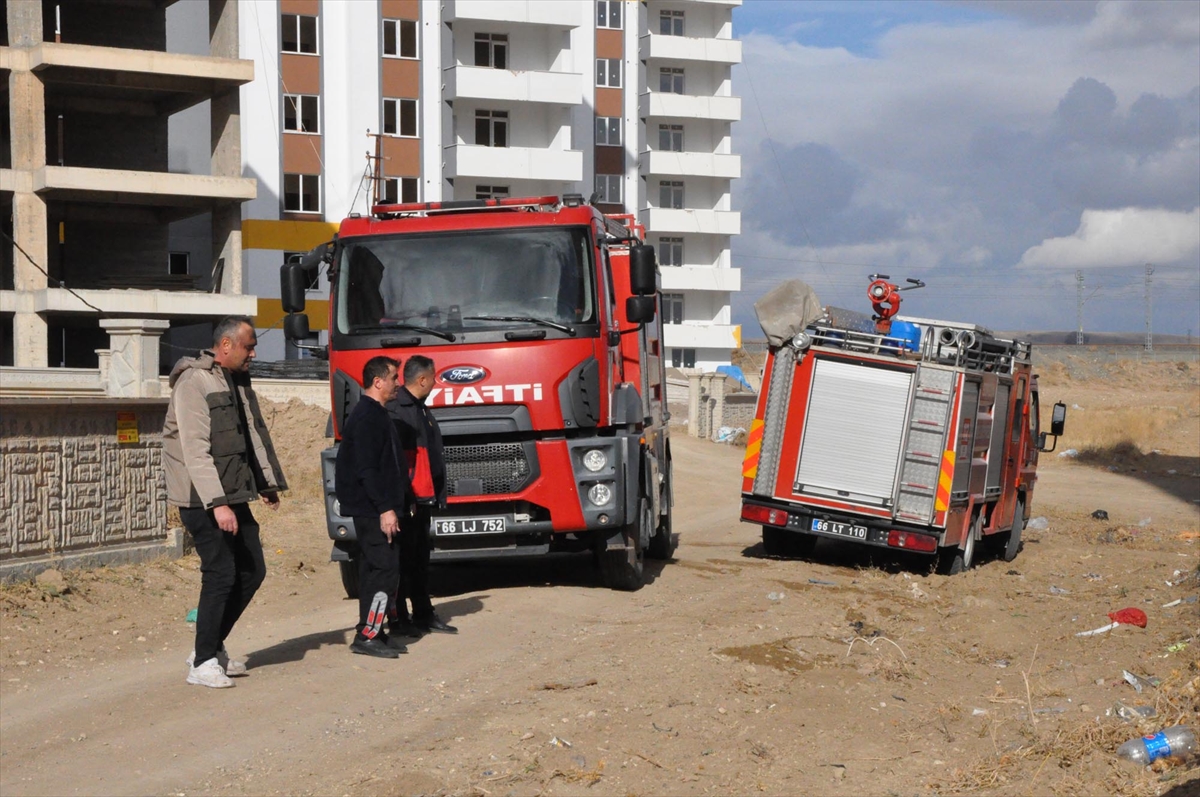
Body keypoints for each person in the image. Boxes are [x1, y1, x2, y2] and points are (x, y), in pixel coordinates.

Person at [163, 315, 287, 688]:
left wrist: (265, 483)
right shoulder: (192, 382)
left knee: (253, 571)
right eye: (249, 346)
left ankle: (211, 646)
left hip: (232, 494)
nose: (252, 353)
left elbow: (246, 436)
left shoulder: (232, 381)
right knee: (221, 574)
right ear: (227, 345)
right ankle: (201, 663)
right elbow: (195, 450)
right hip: (202, 498)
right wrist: (216, 504)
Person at [334, 356, 408, 658]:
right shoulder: (366, 416)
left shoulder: (376, 413)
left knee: (374, 568)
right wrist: (385, 509)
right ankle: (368, 634)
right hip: (372, 510)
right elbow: (366, 469)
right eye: (393, 377)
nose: (398, 384)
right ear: (378, 382)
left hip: (376, 507)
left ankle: (373, 629)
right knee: (384, 569)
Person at [388, 355, 458, 635]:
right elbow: (402, 463)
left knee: (419, 560)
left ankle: (423, 614)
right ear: (422, 380)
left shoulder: (418, 408)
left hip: (422, 500)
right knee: (405, 561)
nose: (436, 381)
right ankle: (402, 619)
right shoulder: (399, 410)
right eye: (434, 376)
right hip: (410, 501)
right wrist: (409, 498)